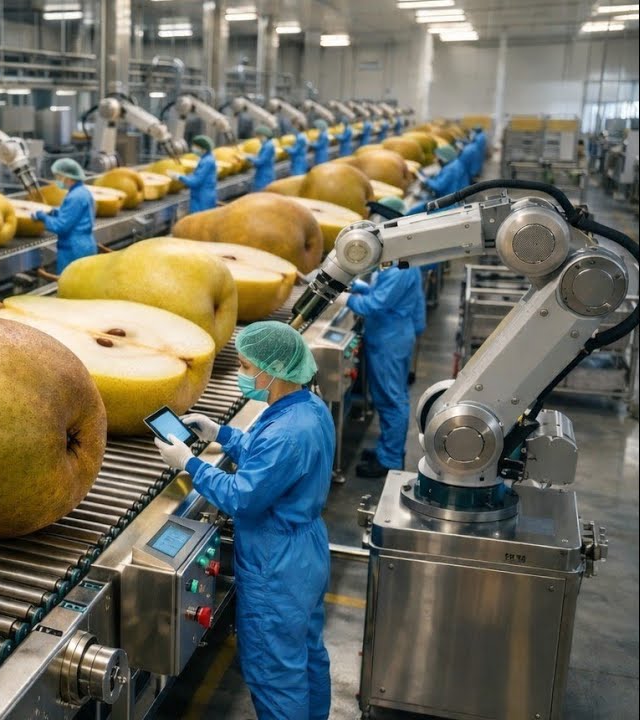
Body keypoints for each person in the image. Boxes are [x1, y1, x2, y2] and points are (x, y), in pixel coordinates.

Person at [153, 321, 333, 720]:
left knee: (274, 671)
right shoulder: (307, 408)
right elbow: (268, 453)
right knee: (306, 653)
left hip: (277, 563)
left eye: (248, 368)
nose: (243, 375)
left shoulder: (287, 432)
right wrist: (222, 433)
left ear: (275, 371)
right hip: (307, 552)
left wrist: (190, 464)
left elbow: (242, 497)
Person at [337, 265, 424, 478]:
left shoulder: (400, 270)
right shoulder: (401, 263)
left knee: (391, 400)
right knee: (388, 398)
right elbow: (383, 295)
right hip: (390, 336)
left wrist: (344, 298)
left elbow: (375, 305)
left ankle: (390, 459)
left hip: (390, 341)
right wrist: (360, 287)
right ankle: (386, 450)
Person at [33, 158, 97, 272]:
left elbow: (61, 226)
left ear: (67, 177)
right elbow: (76, 214)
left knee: (70, 284)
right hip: (84, 244)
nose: (57, 180)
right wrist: (57, 211)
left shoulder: (75, 197)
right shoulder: (83, 191)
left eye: (58, 177)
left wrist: (43, 218)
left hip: (74, 249)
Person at [408, 144, 468, 214]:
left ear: (444, 157)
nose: (436, 160)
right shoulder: (456, 163)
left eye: (438, 157)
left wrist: (426, 180)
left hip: (450, 202)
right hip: (457, 197)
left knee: (414, 210)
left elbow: (439, 186)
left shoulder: (450, 169)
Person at [171, 135, 218, 213]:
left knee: (199, 223)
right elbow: (198, 176)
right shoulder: (206, 159)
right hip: (203, 196)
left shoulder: (207, 162)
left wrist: (179, 177)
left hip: (202, 199)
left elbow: (195, 182)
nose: (193, 148)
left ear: (203, 149)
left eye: (196, 147)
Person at [245, 126, 277, 191]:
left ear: (264, 136)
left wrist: (249, 157)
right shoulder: (267, 145)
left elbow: (260, 161)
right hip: (264, 174)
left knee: (262, 196)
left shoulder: (268, 146)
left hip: (264, 176)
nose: (259, 139)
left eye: (259, 137)